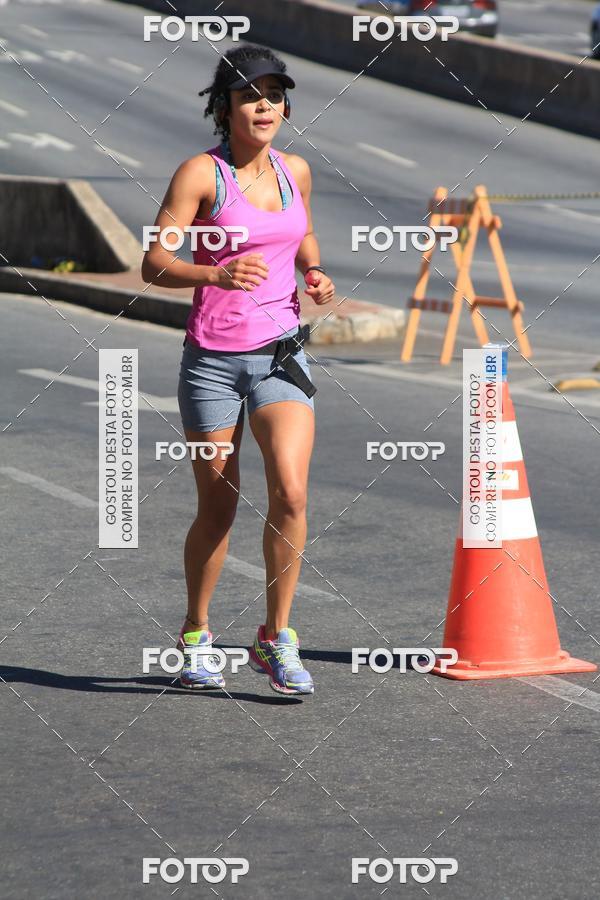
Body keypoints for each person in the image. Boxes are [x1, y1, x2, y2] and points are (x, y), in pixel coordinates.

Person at [141, 44, 335, 696]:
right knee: (218, 509)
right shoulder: (201, 175)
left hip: (281, 355)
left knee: (293, 493)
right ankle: (196, 632)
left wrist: (312, 270)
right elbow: (154, 263)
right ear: (225, 105)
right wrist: (215, 272)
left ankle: (275, 639)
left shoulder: (294, 171)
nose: (265, 106)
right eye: (252, 95)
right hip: (213, 365)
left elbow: (301, 230)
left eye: (276, 96)